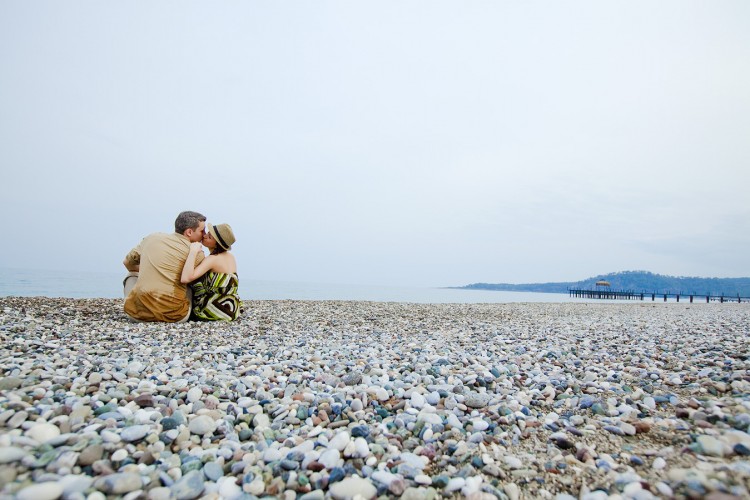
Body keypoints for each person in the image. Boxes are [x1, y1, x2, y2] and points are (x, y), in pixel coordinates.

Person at [123, 211, 206, 322]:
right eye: (202, 231)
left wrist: (148, 270)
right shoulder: (197, 254)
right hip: (176, 317)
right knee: (188, 282)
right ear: (189, 232)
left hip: (137, 316)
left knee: (131, 275)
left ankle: (137, 303)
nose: (204, 235)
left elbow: (127, 262)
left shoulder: (151, 238)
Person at [181, 223, 242, 321]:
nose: (204, 236)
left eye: (209, 237)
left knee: (192, 283)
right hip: (232, 308)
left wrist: (193, 251)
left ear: (217, 243)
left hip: (215, 309)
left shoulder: (212, 259)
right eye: (207, 233)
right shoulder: (231, 257)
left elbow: (185, 278)